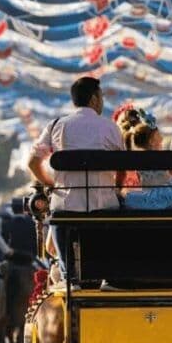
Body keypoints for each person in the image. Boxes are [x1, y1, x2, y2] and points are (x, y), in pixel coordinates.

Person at [28, 76, 124, 276]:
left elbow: (32, 162)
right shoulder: (110, 127)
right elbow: (122, 167)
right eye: (101, 97)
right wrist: (117, 189)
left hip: (65, 211)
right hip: (103, 210)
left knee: (66, 268)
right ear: (94, 99)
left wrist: (51, 183)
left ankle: (68, 276)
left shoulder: (56, 126)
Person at [122, 120, 172, 209]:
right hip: (164, 193)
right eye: (158, 136)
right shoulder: (163, 157)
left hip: (147, 193)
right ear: (151, 141)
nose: (162, 138)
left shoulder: (138, 158)